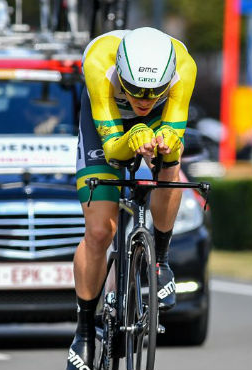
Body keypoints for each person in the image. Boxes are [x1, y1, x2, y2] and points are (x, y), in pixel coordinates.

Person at [67, 27, 197, 370]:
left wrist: (166, 138)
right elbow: (112, 147)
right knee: (99, 233)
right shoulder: (99, 61)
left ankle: (161, 260)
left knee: (171, 157)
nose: (143, 97)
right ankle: (84, 333)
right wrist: (134, 134)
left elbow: (173, 127)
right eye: (135, 88)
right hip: (105, 120)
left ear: (169, 80)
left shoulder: (185, 66)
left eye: (155, 91)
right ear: (120, 72)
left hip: (156, 122)